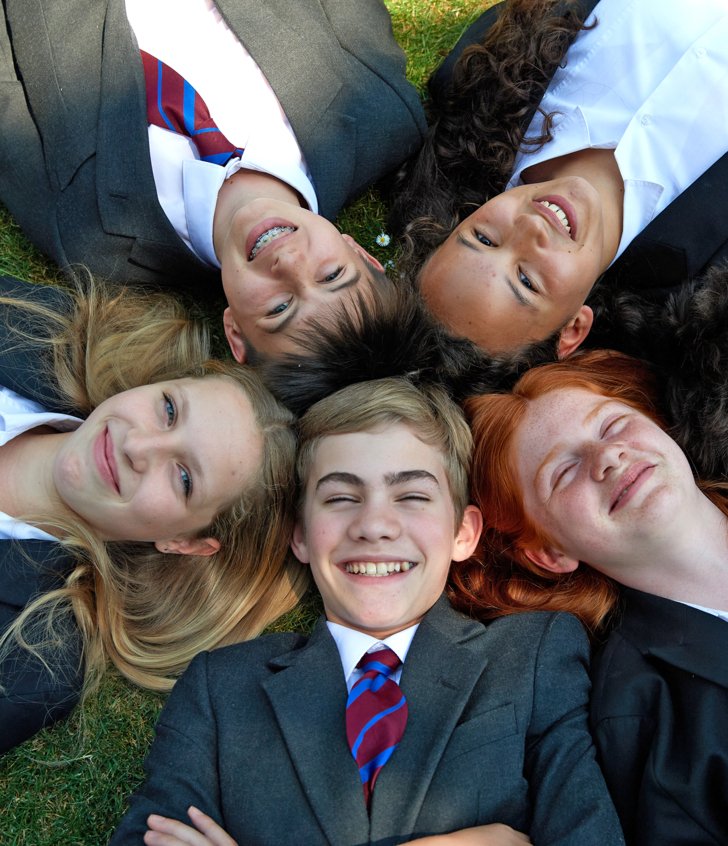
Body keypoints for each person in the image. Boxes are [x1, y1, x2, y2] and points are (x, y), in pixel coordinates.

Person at [111, 377, 623, 846]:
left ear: (463, 532)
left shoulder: (531, 657)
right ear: (301, 535)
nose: (374, 524)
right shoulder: (220, 688)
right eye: (340, 497)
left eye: (413, 495)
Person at [0, 0, 426, 363]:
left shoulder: (89, 234)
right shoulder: (379, 113)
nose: (290, 263)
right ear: (362, 254)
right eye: (332, 275)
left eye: (279, 308)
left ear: (235, 333)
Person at [0, 274, 308, 754]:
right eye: (168, 409)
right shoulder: (38, 329)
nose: (137, 446)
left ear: (184, 541)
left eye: (184, 478)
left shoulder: (34, 662)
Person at [460, 349, 728, 845]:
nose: (608, 457)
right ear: (549, 553)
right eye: (562, 474)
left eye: (612, 426)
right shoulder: (642, 717)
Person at [390, 0, 728, 357]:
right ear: (572, 328)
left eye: (484, 239)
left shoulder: (481, 84)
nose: (529, 229)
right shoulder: (708, 280)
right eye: (526, 281)